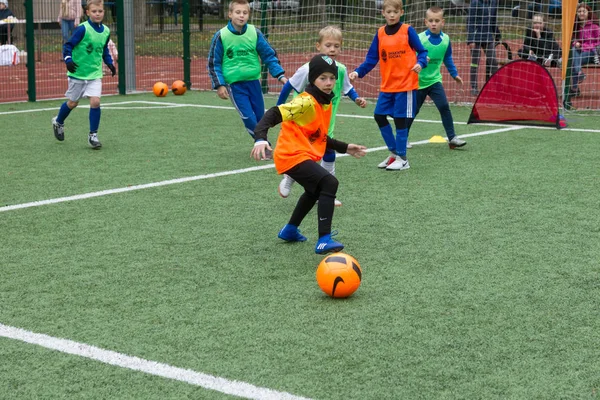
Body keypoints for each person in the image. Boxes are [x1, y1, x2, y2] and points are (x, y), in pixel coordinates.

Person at [250, 54, 367, 254]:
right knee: (329, 182)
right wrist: (260, 138)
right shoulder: (305, 102)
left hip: (300, 154)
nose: (329, 82)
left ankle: (290, 230)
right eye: (323, 78)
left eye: (332, 78)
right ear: (312, 79)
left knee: (314, 191)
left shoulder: (325, 102)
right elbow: (273, 113)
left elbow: (320, 135)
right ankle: (324, 240)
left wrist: (345, 147)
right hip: (291, 155)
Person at [276, 25, 367, 206]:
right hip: (304, 123)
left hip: (326, 122)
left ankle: (326, 193)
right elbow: (289, 86)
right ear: (318, 46)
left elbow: (348, 88)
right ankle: (289, 177)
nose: (332, 49)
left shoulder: (340, 69)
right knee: (305, 156)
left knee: (328, 154)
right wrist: (280, 108)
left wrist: (357, 99)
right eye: (328, 45)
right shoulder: (307, 68)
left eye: (336, 46)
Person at [349, 0, 428, 171]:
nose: (392, 15)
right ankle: (395, 153)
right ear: (383, 13)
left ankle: (403, 159)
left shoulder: (408, 30)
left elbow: (422, 51)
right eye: (389, 11)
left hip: (405, 85)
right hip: (387, 86)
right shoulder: (380, 33)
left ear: (401, 12)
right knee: (379, 115)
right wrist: (358, 72)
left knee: (400, 121)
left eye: (395, 12)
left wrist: (421, 63)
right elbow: (371, 58)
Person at [207, 0, 287, 157]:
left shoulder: (254, 33)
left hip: (254, 83)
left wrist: (280, 75)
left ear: (249, 15)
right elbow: (213, 63)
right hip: (234, 86)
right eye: (238, 12)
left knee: (260, 117)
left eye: (245, 13)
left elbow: (268, 55)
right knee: (248, 117)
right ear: (230, 14)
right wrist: (220, 85)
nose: (241, 16)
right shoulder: (221, 36)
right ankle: (265, 146)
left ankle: (262, 143)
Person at [51, 0, 116, 149]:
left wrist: (110, 63)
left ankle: (93, 135)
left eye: (100, 11)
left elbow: (103, 49)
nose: (97, 14)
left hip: (94, 74)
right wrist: (68, 59)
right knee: (73, 102)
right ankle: (58, 121)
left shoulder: (106, 30)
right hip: (78, 73)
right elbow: (68, 45)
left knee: (95, 102)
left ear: (103, 12)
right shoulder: (82, 29)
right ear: (87, 13)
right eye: (94, 11)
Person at [407, 6, 466, 149]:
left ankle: (452, 138)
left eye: (437, 21)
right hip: (418, 81)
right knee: (413, 111)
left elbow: (448, 58)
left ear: (443, 22)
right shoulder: (419, 38)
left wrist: (454, 74)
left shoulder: (446, 40)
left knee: (444, 106)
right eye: (431, 21)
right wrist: (418, 62)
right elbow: (409, 57)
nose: (434, 23)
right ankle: (403, 137)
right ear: (426, 22)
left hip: (434, 81)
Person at [466, 0, 500, 96]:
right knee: (475, 63)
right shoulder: (475, 2)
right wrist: (471, 39)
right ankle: (474, 87)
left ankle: (496, 85)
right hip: (476, 37)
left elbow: (493, 20)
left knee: (493, 61)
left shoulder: (493, 2)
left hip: (488, 37)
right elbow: (470, 21)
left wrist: (497, 34)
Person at [570, 3, 600, 98]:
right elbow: (572, 40)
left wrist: (584, 46)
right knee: (573, 53)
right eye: (579, 11)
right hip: (580, 52)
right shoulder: (575, 27)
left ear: (588, 13)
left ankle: (574, 88)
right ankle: (579, 73)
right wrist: (576, 43)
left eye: (584, 11)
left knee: (573, 61)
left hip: (592, 53)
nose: (581, 13)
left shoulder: (594, 26)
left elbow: (598, 42)